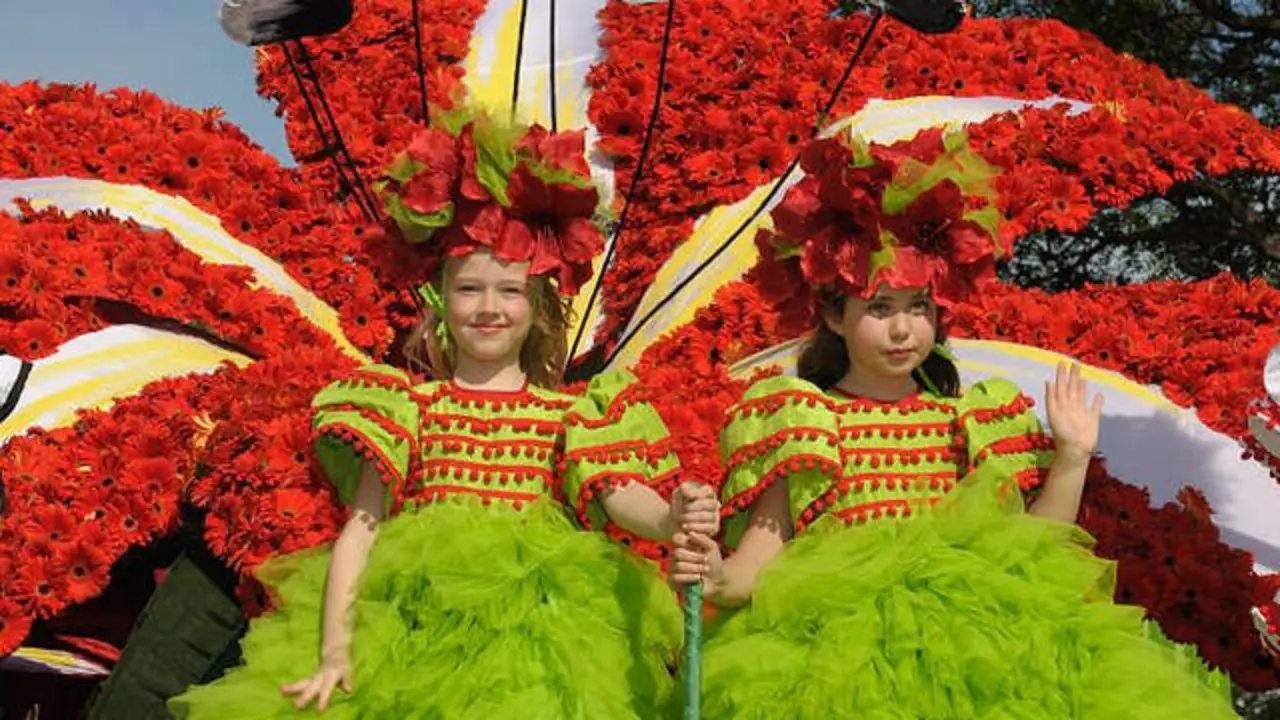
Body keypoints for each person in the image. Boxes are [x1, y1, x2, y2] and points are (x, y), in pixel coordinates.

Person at [169, 110, 718, 719]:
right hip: (411, 628)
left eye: (509, 291)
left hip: (538, 636)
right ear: (440, 300)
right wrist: (335, 648)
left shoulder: (573, 416)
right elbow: (363, 527)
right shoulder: (408, 409)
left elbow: (621, 497)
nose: (489, 307)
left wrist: (673, 518)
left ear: (537, 309)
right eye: (469, 289)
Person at [670, 130, 1236, 718]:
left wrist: (1070, 457)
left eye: (919, 307)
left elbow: (1030, 556)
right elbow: (752, 570)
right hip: (837, 673)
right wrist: (711, 574)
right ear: (835, 315)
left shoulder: (969, 421)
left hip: (983, 659)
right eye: (880, 309)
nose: (902, 330)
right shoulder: (804, 422)